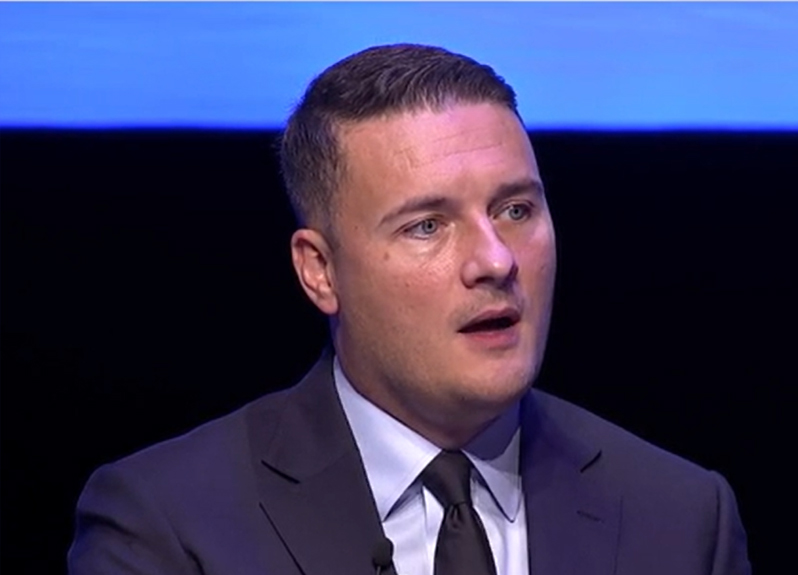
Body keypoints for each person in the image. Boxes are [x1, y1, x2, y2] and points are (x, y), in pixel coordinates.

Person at [68, 44, 751, 575]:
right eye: (427, 225)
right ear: (320, 271)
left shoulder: (680, 516)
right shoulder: (168, 525)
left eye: (516, 210)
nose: (496, 260)